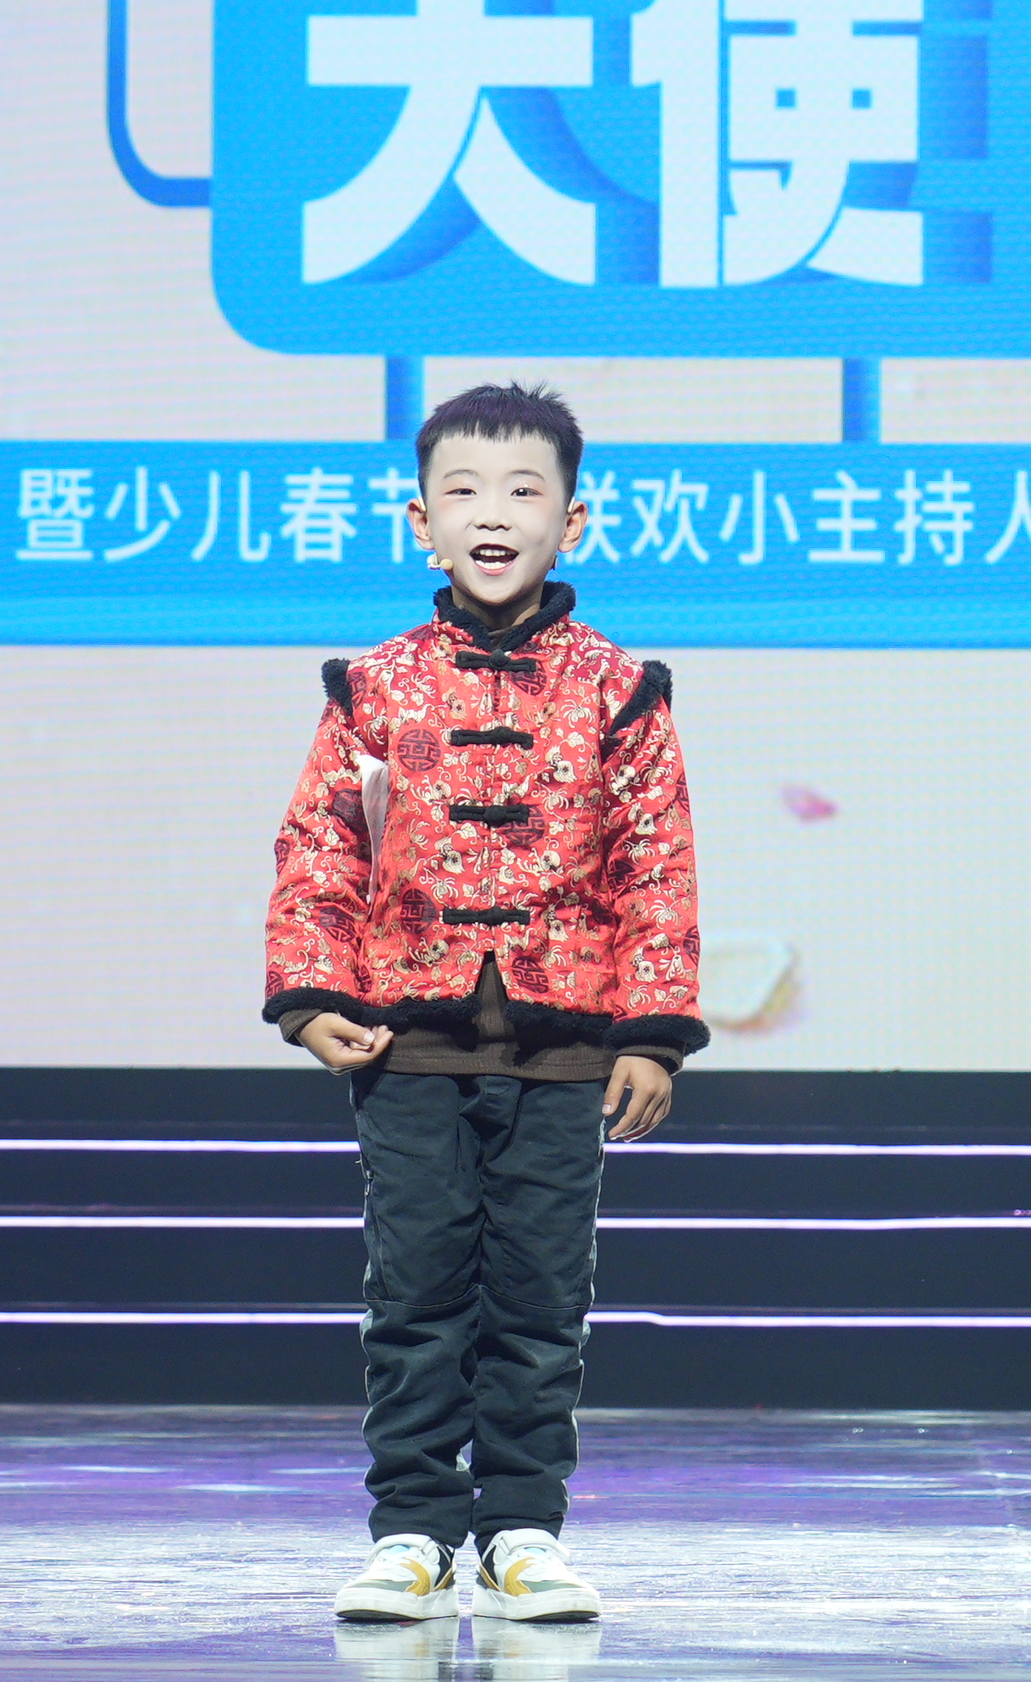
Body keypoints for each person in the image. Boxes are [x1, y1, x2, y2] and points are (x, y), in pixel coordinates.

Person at [263, 381, 705, 1627]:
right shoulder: (373, 686)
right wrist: (311, 994)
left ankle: (520, 1530)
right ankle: (412, 1529)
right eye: (463, 490)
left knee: (539, 1298)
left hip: (566, 1050)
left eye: (524, 490)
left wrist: (653, 1031)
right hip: (406, 1041)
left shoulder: (620, 687)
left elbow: (656, 865)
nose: (493, 514)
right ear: (421, 519)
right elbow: (320, 849)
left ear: (575, 518)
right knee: (413, 1292)